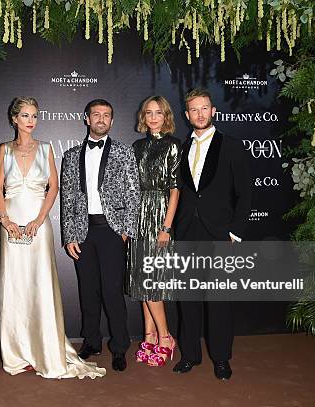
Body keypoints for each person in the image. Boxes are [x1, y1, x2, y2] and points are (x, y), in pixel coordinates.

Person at [0, 97, 105, 379]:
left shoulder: (46, 150)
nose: (31, 120)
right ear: (14, 119)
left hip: (37, 225)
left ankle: (45, 349)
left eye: (34, 115)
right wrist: (6, 221)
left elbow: (53, 188)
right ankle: (18, 353)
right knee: (15, 287)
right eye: (25, 115)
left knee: (40, 284)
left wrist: (38, 220)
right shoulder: (4, 150)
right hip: (11, 227)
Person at [173, 88, 252, 380]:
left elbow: (245, 195)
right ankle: (190, 356)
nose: (200, 114)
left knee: (219, 301)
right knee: (188, 301)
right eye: (194, 110)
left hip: (219, 234)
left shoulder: (231, 146)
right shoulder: (182, 148)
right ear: (187, 115)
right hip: (187, 234)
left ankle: (221, 358)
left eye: (204, 108)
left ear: (213, 111)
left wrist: (235, 233)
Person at [60, 99, 140, 372]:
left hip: (112, 232)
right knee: (88, 290)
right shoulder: (70, 156)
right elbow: (68, 199)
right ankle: (91, 341)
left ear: (112, 121)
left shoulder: (124, 152)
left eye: (107, 115)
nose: (101, 119)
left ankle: (119, 347)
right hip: (83, 232)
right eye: (96, 115)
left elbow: (133, 194)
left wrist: (126, 231)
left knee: (112, 292)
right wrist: (69, 235)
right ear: (86, 118)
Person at [127, 95, 181, 367]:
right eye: (148, 112)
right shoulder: (137, 146)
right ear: (143, 116)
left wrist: (166, 227)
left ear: (165, 116)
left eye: (158, 113)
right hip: (139, 215)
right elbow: (132, 187)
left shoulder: (173, 146)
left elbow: (175, 190)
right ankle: (148, 337)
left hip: (160, 212)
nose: (153, 117)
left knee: (153, 281)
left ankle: (166, 337)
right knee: (141, 281)